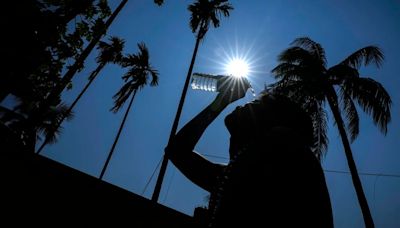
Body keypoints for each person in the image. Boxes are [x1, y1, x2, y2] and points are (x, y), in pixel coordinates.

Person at [166, 78, 334, 227]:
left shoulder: (287, 146)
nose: (245, 104)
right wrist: (220, 102)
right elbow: (176, 151)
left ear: (271, 120)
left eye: (257, 104)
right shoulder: (233, 174)